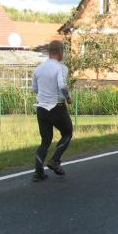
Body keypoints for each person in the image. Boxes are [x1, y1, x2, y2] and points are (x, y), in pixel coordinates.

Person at [32, 40, 74, 181]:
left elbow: (35, 89)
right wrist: (68, 97)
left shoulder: (38, 69)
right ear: (60, 51)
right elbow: (62, 86)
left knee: (45, 141)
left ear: (50, 52)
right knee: (67, 133)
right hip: (57, 108)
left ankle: (38, 173)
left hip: (41, 109)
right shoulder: (59, 68)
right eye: (63, 52)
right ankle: (55, 160)